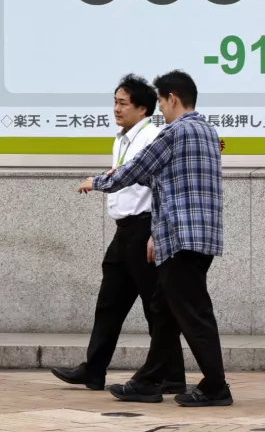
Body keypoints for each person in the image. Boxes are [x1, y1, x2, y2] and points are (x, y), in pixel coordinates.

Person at [77, 70, 231, 407]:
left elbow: (135, 170)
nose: (160, 107)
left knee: (193, 313)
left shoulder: (173, 133)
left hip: (180, 238)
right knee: (165, 309)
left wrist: (98, 180)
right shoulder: (206, 130)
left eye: (161, 101)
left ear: (172, 98)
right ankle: (150, 380)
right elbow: (161, 177)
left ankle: (216, 386)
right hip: (201, 237)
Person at [52, 74, 186, 393]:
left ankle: (172, 376)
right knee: (109, 304)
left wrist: (157, 231)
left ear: (143, 109)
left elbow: (159, 185)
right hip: (123, 232)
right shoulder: (121, 138)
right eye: (115, 101)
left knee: (157, 308)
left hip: (145, 229)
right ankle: (94, 370)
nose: (116, 108)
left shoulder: (153, 136)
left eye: (123, 103)